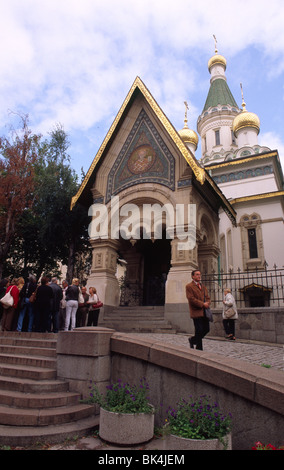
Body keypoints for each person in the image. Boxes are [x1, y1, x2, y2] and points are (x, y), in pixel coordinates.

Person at [186, 269, 211, 350]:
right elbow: (191, 299)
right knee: (199, 330)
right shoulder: (189, 286)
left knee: (206, 329)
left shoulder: (203, 286)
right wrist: (202, 304)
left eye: (199, 274)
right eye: (197, 274)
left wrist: (207, 303)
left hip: (204, 312)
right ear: (193, 276)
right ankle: (199, 348)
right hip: (196, 311)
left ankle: (193, 340)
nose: (199, 276)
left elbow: (207, 297)